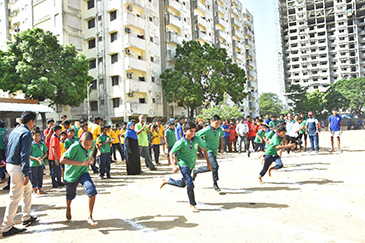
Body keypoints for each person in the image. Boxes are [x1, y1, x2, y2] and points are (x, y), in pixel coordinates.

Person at [160, 121, 211, 213]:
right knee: (190, 184)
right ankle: (192, 204)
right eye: (190, 131)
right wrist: (173, 165)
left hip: (191, 164)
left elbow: (204, 150)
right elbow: (171, 153)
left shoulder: (197, 139)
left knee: (184, 184)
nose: (193, 133)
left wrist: (208, 163)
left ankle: (167, 181)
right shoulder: (180, 142)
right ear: (184, 131)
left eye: (194, 131)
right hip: (183, 164)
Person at [2, 111, 38, 237]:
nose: (34, 124)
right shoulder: (26, 133)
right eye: (34, 121)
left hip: (10, 164)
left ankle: (26, 216)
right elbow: (24, 154)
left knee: (28, 190)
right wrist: (26, 172)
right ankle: (7, 226)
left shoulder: (15, 130)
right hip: (17, 167)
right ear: (30, 121)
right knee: (15, 196)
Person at [60, 132, 98, 226]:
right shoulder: (75, 147)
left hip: (83, 172)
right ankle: (68, 207)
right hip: (71, 175)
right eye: (86, 144)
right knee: (70, 195)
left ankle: (90, 216)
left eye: (90, 144)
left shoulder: (92, 145)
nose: (88, 147)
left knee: (92, 190)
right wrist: (81, 163)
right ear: (81, 141)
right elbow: (62, 160)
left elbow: (90, 153)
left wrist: (91, 159)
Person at [193, 115, 224, 191]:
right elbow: (196, 135)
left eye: (219, 123)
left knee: (211, 167)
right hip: (208, 151)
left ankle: (196, 171)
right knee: (215, 166)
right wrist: (199, 145)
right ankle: (215, 183)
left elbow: (221, 138)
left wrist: (222, 148)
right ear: (211, 122)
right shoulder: (206, 130)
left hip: (214, 151)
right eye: (216, 123)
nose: (217, 125)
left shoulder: (219, 129)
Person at [29, 129, 48, 195]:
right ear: (32, 136)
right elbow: (28, 155)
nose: (37, 137)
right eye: (35, 135)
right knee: (33, 176)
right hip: (33, 164)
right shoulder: (31, 145)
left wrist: (41, 158)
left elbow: (45, 153)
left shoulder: (42, 144)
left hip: (40, 163)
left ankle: (39, 189)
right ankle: (34, 189)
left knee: (40, 176)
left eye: (39, 135)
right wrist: (36, 159)